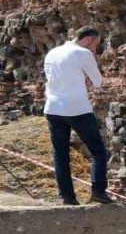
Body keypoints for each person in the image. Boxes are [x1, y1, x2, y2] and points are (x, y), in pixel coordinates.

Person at [44, 27, 112, 206]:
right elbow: (97, 81)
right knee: (98, 151)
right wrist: (86, 78)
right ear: (88, 40)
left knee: (60, 154)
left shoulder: (52, 52)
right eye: (95, 45)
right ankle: (98, 191)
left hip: (53, 108)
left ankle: (67, 197)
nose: (94, 51)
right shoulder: (83, 53)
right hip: (77, 108)